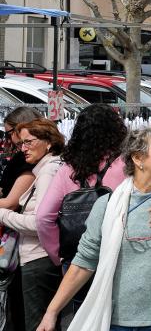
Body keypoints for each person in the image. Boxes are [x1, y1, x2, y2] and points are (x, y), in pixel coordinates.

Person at [36, 127, 151, 331]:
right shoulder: (108, 205)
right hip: (113, 321)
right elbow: (83, 262)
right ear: (138, 158)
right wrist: (51, 312)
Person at [37, 104, 128, 266]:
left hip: (76, 257)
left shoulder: (67, 169)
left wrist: (58, 254)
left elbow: (43, 217)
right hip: (116, 255)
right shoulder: (126, 165)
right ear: (116, 130)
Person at [0, 119, 63, 331]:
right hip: (42, 257)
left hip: (38, 257)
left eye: (29, 142)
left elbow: (40, 222)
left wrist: (3, 215)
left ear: (48, 142)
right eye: (21, 144)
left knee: (39, 326)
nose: (23, 148)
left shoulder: (48, 172)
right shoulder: (51, 167)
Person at [0, 107, 42, 331]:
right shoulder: (24, 158)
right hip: (18, 238)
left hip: (25, 244)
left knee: (21, 308)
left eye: (9, 133)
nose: (9, 140)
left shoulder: (35, 164)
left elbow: (12, 202)